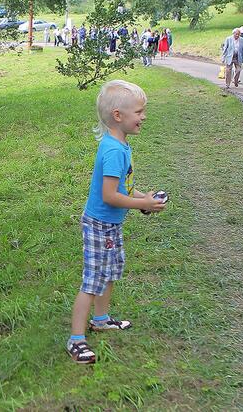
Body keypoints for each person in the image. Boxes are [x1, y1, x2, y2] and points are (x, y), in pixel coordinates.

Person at [66, 80, 167, 364]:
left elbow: (122, 189)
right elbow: (109, 196)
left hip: (111, 224)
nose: (143, 116)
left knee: (110, 272)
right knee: (92, 280)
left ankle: (100, 320)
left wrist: (143, 198)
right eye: (139, 111)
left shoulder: (121, 146)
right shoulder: (112, 151)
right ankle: (76, 340)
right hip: (99, 224)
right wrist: (142, 205)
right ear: (118, 116)